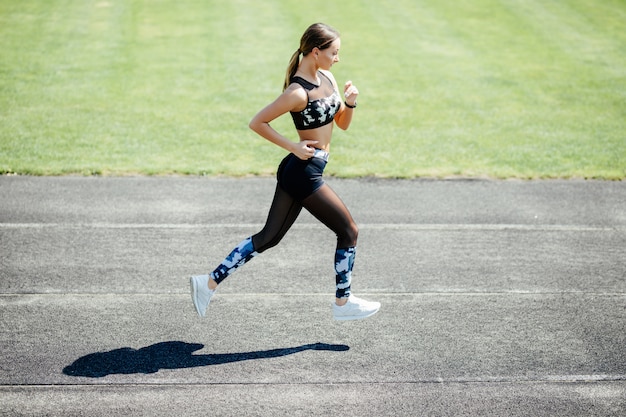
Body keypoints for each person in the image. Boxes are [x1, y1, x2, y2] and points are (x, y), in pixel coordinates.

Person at [190, 23, 380, 321]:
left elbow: (340, 123)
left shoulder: (328, 76)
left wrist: (352, 103)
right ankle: (343, 304)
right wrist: (292, 146)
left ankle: (208, 282)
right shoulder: (297, 92)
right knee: (349, 231)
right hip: (304, 172)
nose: (337, 58)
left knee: (269, 237)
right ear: (316, 52)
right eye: (334, 52)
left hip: (303, 170)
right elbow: (257, 122)